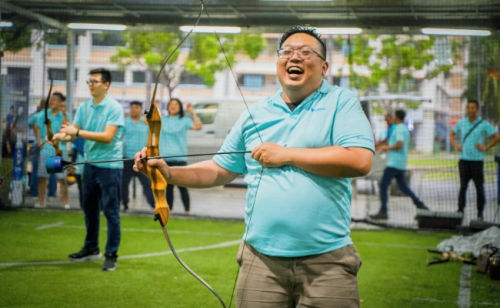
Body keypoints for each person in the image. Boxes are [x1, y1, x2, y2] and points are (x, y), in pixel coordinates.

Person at [135, 26, 374, 307]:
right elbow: (220, 169)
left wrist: (286, 154)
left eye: (305, 52)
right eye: (286, 52)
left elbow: (359, 160)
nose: (294, 57)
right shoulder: (256, 113)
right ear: (278, 63)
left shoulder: (340, 102)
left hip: (328, 261)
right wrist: (169, 173)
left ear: (324, 67)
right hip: (261, 260)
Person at [52, 68, 124, 271]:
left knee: (111, 212)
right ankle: (92, 248)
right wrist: (59, 137)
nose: (91, 84)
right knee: (89, 209)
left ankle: (111, 254)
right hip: (89, 166)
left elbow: (107, 136)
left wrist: (77, 132)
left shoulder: (114, 108)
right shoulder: (84, 108)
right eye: (89, 81)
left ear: (106, 85)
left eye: (95, 81)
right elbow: (72, 134)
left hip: (110, 167)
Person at [370, 109, 428, 220]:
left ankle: (383, 211)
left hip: (394, 163)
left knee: (383, 185)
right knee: (403, 187)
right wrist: (380, 146)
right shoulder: (399, 128)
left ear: (396, 117)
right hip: (399, 163)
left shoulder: (400, 129)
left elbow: (399, 144)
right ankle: (420, 205)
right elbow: (390, 142)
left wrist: (385, 147)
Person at [450, 99, 500, 220]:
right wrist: (456, 145)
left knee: (479, 187)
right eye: (468, 107)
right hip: (464, 160)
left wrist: (486, 147)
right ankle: (460, 210)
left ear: (477, 109)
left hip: (477, 161)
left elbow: (496, 136)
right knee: (463, 187)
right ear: (466, 109)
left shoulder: (483, 124)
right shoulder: (462, 122)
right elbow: (452, 133)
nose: (471, 110)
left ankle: (480, 213)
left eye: (473, 107)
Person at [159, 98, 202, 215]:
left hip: (180, 158)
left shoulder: (184, 120)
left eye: (176, 104)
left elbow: (198, 126)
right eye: (171, 104)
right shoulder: (162, 120)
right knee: (168, 187)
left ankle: (187, 211)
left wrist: (192, 112)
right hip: (165, 159)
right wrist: (155, 108)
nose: (173, 106)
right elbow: (145, 121)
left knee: (182, 186)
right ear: (167, 107)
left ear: (180, 107)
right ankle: (170, 210)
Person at [33, 92, 70, 209]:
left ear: (60, 102)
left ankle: (65, 203)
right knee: (42, 178)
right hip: (45, 151)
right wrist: (39, 141)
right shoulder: (44, 114)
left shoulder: (63, 115)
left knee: (62, 179)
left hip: (59, 151)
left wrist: (63, 112)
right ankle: (40, 202)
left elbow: (67, 129)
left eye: (55, 99)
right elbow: (35, 126)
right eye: (51, 99)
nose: (52, 101)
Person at [121, 100, 155, 211]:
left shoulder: (146, 123)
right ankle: (125, 205)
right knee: (124, 184)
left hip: (142, 159)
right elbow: (119, 137)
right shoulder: (124, 122)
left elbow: (156, 128)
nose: (134, 109)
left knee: (147, 183)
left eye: (136, 107)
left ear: (141, 110)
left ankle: (154, 206)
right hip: (127, 158)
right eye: (132, 107)